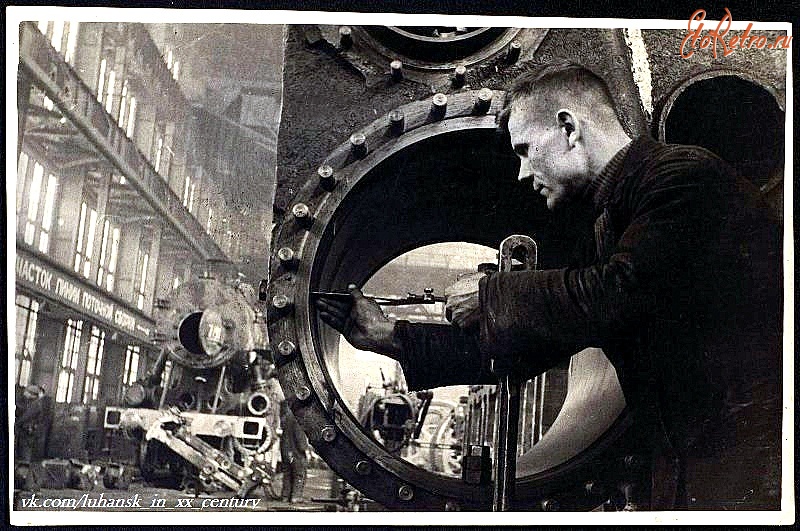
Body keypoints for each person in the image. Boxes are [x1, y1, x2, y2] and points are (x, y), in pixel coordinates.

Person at [316, 62, 782, 510]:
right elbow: (531, 346)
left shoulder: (683, 179)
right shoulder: (609, 226)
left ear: (568, 128)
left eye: (524, 150)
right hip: (700, 463)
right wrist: (391, 337)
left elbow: (616, 293)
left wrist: (492, 295)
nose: (521, 173)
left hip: (758, 459)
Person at [279, 399, 309, 503]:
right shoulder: (298, 419)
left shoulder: (286, 417)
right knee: (299, 474)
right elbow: (300, 437)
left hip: (285, 450)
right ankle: (296, 496)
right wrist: (305, 449)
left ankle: (285, 496)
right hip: (296, 452)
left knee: (287, 474)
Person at [15, 384, 51, 463]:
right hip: (30, 431)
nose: (24, 393)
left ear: (32, 394)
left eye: (27, 392)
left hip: (28, 432)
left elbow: (26, 417)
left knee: (25, 454)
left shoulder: (35, 405)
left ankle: (25, 466)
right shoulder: (34, 403)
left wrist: (17, 423)